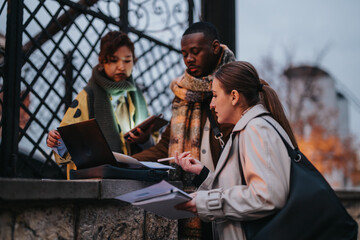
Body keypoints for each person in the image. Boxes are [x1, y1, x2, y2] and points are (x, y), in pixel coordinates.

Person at [132, 21, 236, 239]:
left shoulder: (238, 87)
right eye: (184, 53)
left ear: (215, 47)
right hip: (193, 201)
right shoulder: (182, 95)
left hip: (231, 199)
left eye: (195, 52)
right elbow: (166, 149)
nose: (189, 59)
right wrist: (123, 161)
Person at [174, 61, 298, 240]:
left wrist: (204, 202)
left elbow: (267, 197)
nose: (212, 104)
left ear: (234, 96)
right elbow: (242, 188)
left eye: (215, 96)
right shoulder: (248, 129)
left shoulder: (256, 130)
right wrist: (205, 174)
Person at [46, 31, 155, 179]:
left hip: (134, 180)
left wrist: (145, 139)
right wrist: (57, 140)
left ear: (134, 61)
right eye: (113, 60)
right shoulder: (87, 97)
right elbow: (68, 140)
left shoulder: (136, 97)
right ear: (102, 61)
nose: (121, 66)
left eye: (127, 60)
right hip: (96, 182)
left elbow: (155, 145)